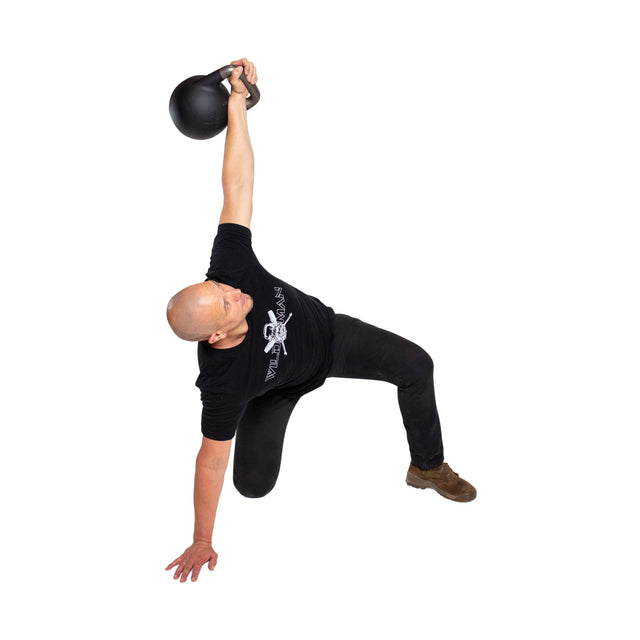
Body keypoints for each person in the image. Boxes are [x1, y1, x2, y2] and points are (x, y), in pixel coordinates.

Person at [165, 58, 476, 583]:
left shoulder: (230, 267)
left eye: (220, 286)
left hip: (326, 337)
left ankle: (426, 466)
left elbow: (237, 184)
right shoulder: (222, 383)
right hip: (271, 388)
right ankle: (266, 407)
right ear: (216, 334)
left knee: (416, 364)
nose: (235, 292)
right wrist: (202, 539)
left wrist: (238, 106)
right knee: (253, 486)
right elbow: (209, 462)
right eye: (225, 302)